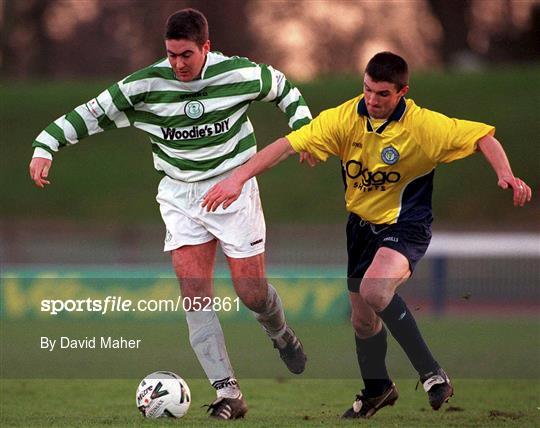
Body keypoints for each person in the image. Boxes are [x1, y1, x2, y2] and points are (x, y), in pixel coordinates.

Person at [202, 51, 533, 419]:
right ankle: (377, 390)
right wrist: (238, 178)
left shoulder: (425, 127)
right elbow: (286, 145)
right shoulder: (344, 118)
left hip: (406, 225)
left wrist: (505, 173)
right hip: (360, 228)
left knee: (376, 290)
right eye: (368, 90)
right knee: (362, 320)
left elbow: (483, 135)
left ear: (403, 92)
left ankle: (431, 372)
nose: (372, 100)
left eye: (383, 94)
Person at [29, 8, 312, 420]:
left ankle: (279, 332)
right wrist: (45, 145)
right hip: (180, 196)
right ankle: (228, 392)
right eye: (171, 55)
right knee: (195, 295)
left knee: (252, 294)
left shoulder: (238, 74)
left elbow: (284, 89)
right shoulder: (144, 84)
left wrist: (303, 131)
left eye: (186, 55)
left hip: (233, 189)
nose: (177, 64)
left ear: (206, 49)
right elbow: (92, 112)